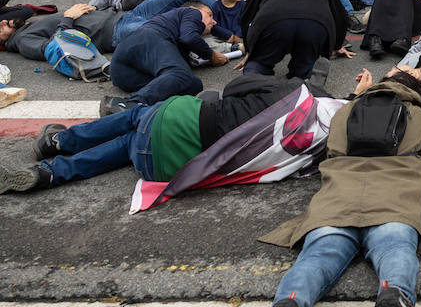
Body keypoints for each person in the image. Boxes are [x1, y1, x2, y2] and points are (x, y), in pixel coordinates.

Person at [244, 64, 421, 307]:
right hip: (394, 198)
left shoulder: (347, 110)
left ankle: (288, 305)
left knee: (316, 259)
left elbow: (331, 151)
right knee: (395, 248)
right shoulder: (415, 114)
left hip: (336, 202)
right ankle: (396, 296)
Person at [1, 71, 334, 195]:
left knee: (137, 117)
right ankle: (49, 174)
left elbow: (235, 87)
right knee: (135, 142)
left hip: (176, 120)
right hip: (168, 167)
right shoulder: (316, 145)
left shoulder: (293, 91)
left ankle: (59, 142)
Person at [105, 3, 228, 115]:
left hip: (122, 73)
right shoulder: (191, 12)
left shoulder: (176, 35)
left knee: (192, 84)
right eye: (210, 15)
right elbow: (189, 37)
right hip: (148, 38)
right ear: (193, 8)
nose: (214, 22)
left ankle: (145, 110)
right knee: (180, 74)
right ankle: (128, 104)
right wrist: (211, 55)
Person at [240, 0, 352, 81]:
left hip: (274, 20)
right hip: (316, 22)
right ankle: (306, 78)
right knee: (305, 64)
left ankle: (253, 82)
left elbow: (248, 12)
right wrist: (336, 45)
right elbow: (339, 12)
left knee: (260, 62)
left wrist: (250, 50)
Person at [0, 3, 118, 58]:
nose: (2, 22)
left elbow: (25, 9)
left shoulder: (26, 29)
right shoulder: (23, 40)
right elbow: (54, 48)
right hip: (111, 30)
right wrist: (68, 18)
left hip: (115, 16)